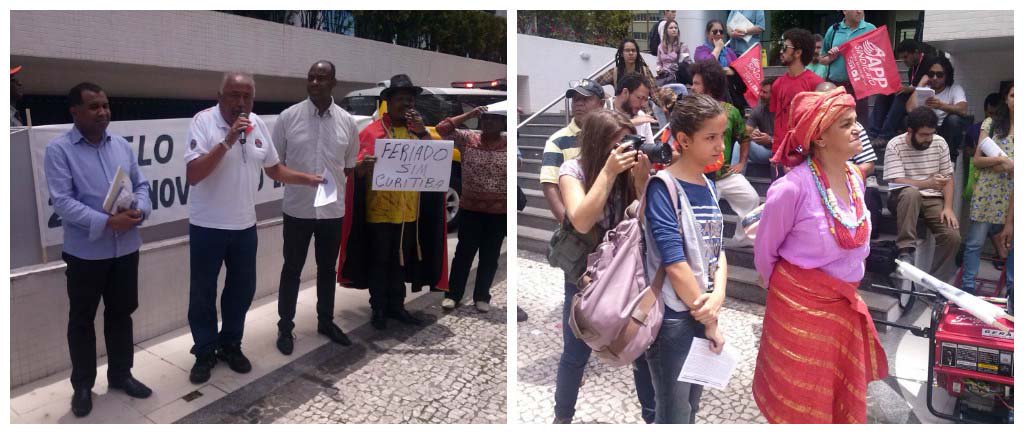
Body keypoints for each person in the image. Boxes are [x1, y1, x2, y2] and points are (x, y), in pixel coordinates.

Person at [753, 87, 887, 423]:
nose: (857, 129)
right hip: (799, 310)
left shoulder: (856, 177)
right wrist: (791, 298)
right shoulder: (791, 188)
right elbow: (765, 252)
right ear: (820, 138)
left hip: (843, 304)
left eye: (855, 121)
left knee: (834, 396)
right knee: (801, 399)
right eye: (845, 124)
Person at [185, 72, 324, 384]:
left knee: (241, 291)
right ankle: (205, 350)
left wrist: (307, 179)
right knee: (203, 294)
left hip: (245, 226)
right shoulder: (203, 122)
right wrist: (228, 140)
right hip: (207, 226)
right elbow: (194, 174)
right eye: (234, 95)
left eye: (247, 96)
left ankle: (231, 344)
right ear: (220, 96)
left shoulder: (258, 124)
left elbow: (273, 167)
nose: (241, 102)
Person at [44, 82, 154, 417]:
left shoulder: (120, 144)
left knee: (121, 315)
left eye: (105, 105)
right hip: (86, 254)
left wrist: (141, 210)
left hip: (125, 250)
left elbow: (142, 185)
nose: (103, 112)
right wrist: (107, 223)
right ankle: (82, 386)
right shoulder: (58, 150)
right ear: (74, 112)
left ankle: (121, 375)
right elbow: (62, 202)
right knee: (82, 320)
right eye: (94, 107)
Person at [553, 109, 655, 423]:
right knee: (576, 352)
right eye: (617, 144)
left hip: (626, 272)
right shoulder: (574, 169)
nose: (624, 150)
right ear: (598, 144)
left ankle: (653, 418)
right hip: (585, 275)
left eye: (628, 142)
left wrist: (642, 183)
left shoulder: (630, 169)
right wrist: (608, 173)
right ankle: (562, 418)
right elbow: (582, 220)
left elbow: (650, 221)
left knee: (641, 349)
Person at [336, 74, 449, 330]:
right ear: (389, 101)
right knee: (379, 261)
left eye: (410, 100)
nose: (406, 104)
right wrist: (363, 166)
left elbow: (433, 162)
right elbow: (355, 171)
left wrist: (422, 133)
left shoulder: (419, 133)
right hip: (379, 211)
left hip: (409, 211)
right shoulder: (371, 132)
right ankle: (378, 308)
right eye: (401, 99)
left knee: (402, 262)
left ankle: (397, 307)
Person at [642, 94, 728, 423]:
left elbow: (716, 250)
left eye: (721, 136)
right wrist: (710, 320)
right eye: (710, 138)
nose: (720, 146)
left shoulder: (708, 184)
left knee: (691, 409)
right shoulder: (662, 188)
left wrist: (717, 296)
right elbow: (675, 264)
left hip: (703, 307)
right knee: (674, 414)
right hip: (674, 319)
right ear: (683, 140)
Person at [271, 61, 358, 355]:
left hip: (332, 212)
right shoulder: (288, 117)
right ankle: (285, 327)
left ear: (334, 82)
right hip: (297, 210)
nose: (315, 82)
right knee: (291, 269)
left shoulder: (347, 122)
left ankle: (326, 321)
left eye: (322, 78)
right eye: (311, 77)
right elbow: (276, 165)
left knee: (326, 269)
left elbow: (347, 167)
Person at [436, 106, 507, 312]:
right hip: (471, 210)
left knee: (490, 256)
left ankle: (482, 296)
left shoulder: (510, 143)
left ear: (503, 123)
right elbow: (442, 129)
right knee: (463, 254)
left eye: (495, 119)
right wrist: (469, 114)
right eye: (485, 119)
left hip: (499, 213)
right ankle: (453, 295)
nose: (489, 122)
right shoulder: (468, 139)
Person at [882, 106, 961, 279]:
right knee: (911, 193)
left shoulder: (940, 143)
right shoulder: (895, 144)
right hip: (901, 197)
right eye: (924, 135)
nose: (929, 139)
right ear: (910, 131)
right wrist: (927, 183)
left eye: (931, 134)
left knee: (952, 236)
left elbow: (948, 178)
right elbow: (896, 181)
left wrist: (948, 207)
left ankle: (935, 283)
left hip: (933, 198)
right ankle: (905, 250)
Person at [690, 60, 758, 247]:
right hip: (698, 177)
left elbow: (744, 137)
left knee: (751, 198)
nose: (692, 87)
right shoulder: (690, 112)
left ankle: (741, 240)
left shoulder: (731, 112)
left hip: (724, 174)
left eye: (696, 83)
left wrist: (742, 163)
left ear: (710, 85)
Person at [962, 84, 1014, 294]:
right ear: (1006, 99)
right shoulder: (992, 123)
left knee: (1013, 244)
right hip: (987, 190)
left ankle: (1013, 289)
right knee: (974, 242)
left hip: (1013, 194)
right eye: (1013, 95)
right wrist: (1006, 163)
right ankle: (967, 286)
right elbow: (977, 160)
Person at [816, 81, 882, 238]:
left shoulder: (855, 127)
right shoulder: (808, 130)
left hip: (847, 183)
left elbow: (869, 164)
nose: (855, 130)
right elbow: (797, 153)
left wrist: (842, 175)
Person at [539, 79, 605, 224]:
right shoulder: (557, 140)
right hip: (578, 224)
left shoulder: (610, 134)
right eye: (575, 99)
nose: (579, 103)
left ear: (601, 104)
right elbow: (550, 186)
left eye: (586, 99)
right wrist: (571, 227)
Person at [771, 28, 824, 179]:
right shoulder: (777, 84)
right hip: (778, 155)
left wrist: (801, 153)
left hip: (802, 156)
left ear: (798, 53)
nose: (781, 51)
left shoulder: (816, 83)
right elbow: (776, 118)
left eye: (785, 47)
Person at [868, 39, 937, 145]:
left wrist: (909, 89)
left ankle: (885, 136)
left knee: (901, 96)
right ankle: (872, 134)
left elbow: (933, 84)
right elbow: (912, 87)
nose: (904, 61)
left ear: (916, 52)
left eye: (906, 57)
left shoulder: (929, 62)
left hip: (925, 101)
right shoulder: (912, 69)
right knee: (885, 94)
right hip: (912, 99)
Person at [906, 55, 969, 162]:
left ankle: (950, 159)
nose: (935, 78)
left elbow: (963, 110)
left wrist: (941, 105)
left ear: (947, 75)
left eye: (939, 75)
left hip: (945, 129)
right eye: (931, 74)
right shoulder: (924, 88)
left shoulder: (954, 89)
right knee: (906, 120)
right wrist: (920, 85)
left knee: (954, 120)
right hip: (926, 128)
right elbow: (910, 109)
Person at [818, 10, 876, 124]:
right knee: (834, 123)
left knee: (860, 124)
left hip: (860, 87)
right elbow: (821, 59)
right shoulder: (833, 30)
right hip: (836, 87)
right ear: (844, 10)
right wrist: (831, 58)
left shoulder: (871, 29)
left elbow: (879, 56)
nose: (859, 11)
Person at [610, 72, 656, 144]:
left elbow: (649, 146)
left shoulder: (641, 116)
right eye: (640, 98)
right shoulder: (601, 109)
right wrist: (630, 123)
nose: (643, 104)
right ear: (625, 92)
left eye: (646, 100)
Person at [746, 77, 775, 164]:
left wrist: (770, 140)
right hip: (765, 152)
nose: (761, 94)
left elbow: (792, 142)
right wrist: (752, 134)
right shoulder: (758, 110)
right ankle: (735, 176)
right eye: (761, 91)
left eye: (765, 92)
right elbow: (745, 131)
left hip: (782, 154)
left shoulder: (787, 111)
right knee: (741, 142)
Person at [655, 20, 692, 87]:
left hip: (678, 78)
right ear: (666, 30)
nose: (674, 30)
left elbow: (688, 64)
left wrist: (677, 65)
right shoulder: (660, 46)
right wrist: (659, 69)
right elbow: (658, 63)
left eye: (676, 28)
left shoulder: (683, 46)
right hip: (664, 77)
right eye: (671, 28)